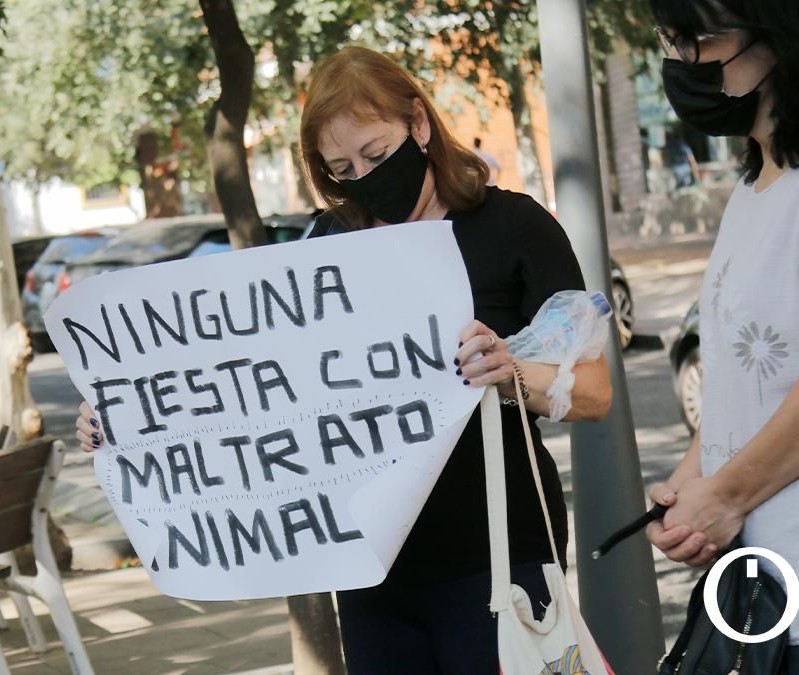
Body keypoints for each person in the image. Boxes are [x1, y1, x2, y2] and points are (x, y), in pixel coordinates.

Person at [75, 46, 613, 672]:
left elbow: (594, 393)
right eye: (342, 168)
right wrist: (129, 412)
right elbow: (248, 379)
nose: (363, 177)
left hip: (497, 552)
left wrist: (511, 373)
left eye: (377, 155)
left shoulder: (514, 227)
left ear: (418, 123)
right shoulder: (327, 245)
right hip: (370, 562)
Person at [645, 1, 799, 667]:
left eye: (697, 40)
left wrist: (725, 497)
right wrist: (693, 478)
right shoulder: (754, 188)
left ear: (785, 35)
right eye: (670, 40)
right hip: (771, 594)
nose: (679, 61)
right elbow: (748, 374)